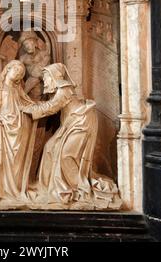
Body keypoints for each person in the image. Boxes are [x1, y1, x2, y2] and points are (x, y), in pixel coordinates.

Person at [23, 63, 121, 209]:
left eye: (47, 78)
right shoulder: (59, 90)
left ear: (54, 77)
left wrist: (29, 109)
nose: (45, 82)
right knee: (50, 147)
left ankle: (77, 189)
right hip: (71, 122)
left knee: (67, 156)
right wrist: (33, 105)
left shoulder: (64, 90)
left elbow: (51, 107)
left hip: (81, 121)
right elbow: (50, 104)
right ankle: (47, 185)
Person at [0, 60, 37, 205]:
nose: (18, 75)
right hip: (3, 127)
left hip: (18, 128)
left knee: (15, 160)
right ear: (8, 69)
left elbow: (25, 102)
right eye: (16, 71)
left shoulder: (17, 89)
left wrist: (36, 107)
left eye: (21, 74)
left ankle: (12, 187)